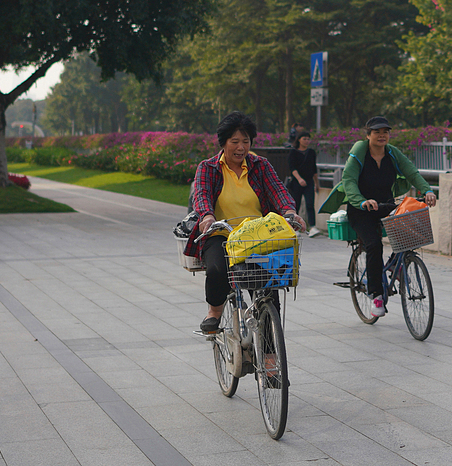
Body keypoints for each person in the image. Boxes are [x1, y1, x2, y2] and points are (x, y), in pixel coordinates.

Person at [185, 111, 306, 334]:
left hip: (258, 236)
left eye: (246, 141)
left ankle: (270, 357)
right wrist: (207, 217)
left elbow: (278, 190)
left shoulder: (260, 165)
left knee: (269, 286)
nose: (241, 147)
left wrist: (290, 211)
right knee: (216, 270)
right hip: (222, 234)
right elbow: (201, 195)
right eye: (235, 142)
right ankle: (214, 311)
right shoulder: (208, 167)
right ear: (223, 143)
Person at [319, 116, 436, 318]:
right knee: (374, 244)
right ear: (368, 135)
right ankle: (376, 295)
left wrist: (428, 190)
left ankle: (397, 266)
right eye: (377, 132)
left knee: (410, 228)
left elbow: (412, 173)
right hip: (361, 209)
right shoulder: (359, 153)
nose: (382, 136)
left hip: (385, 205)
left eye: (385, 132)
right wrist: (362, 201)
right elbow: (349, 180)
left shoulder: (392, 153)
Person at [287, 130, 320, 237]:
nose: (306, 141)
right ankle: (294, 227)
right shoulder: (293, 152)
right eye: (304, 139)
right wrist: (299, 179)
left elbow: (314, 169)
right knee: (295, 204)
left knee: (310, 204)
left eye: (308, 139)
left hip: (309, 181)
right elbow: (292, 168)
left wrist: (317, 183)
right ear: (299, 140)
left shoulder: (311, 152)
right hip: (297, 182)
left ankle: (312, 227)